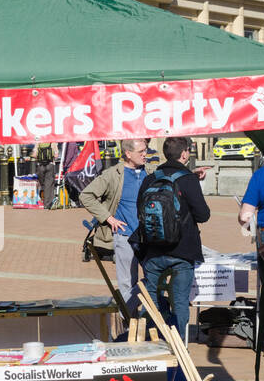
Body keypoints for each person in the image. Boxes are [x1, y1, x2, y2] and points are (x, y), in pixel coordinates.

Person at [138, 137, 210, 344]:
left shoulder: (150, 178)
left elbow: (139, 211)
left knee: (151, 301)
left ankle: (151, 344)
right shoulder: (188, 179)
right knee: (179, 302)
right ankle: (178, 347)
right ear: (185, 154)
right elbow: (203, 215)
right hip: (182, 251)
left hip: (153, 251)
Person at [79, 139, 151, 316]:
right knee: (127, 282)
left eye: (145, 150)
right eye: (140, 151)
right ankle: (129, 323)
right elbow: (86, 195)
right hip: (124, 236)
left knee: (153, 279)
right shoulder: (113, 174)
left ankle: (127, 313)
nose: (145, 154)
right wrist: (108, 218)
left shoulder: (149, 173)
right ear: (128, 154)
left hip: (148, 237)